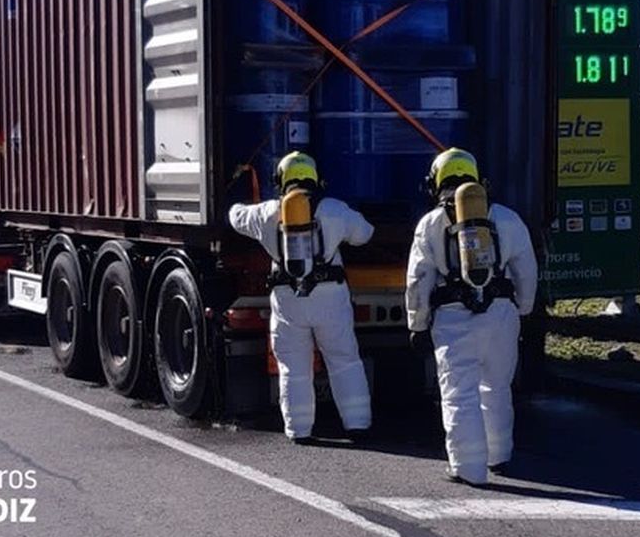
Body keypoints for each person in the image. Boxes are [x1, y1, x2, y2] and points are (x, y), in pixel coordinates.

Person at [405, 148, 538, 485]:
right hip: (502, 315)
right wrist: (524, 309)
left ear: (435, 182)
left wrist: (417, 324)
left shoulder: (430, 224)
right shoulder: (507, 218)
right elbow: (526, 269)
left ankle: (468, 468)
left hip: (453, 319)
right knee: (497, 387)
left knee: (459, 395)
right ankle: (499, 455)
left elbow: (418, 281)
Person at [228, 151, 374, 443]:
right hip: (330, 298)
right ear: (315, 179)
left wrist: (235, 192)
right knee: (344, 360)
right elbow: (365, 234)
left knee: (294, 367)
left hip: (288, 300)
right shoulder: (333, 209)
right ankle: (357, 424)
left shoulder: (267, 213)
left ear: (281, 181)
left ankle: (299, 430)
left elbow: (235, 217)